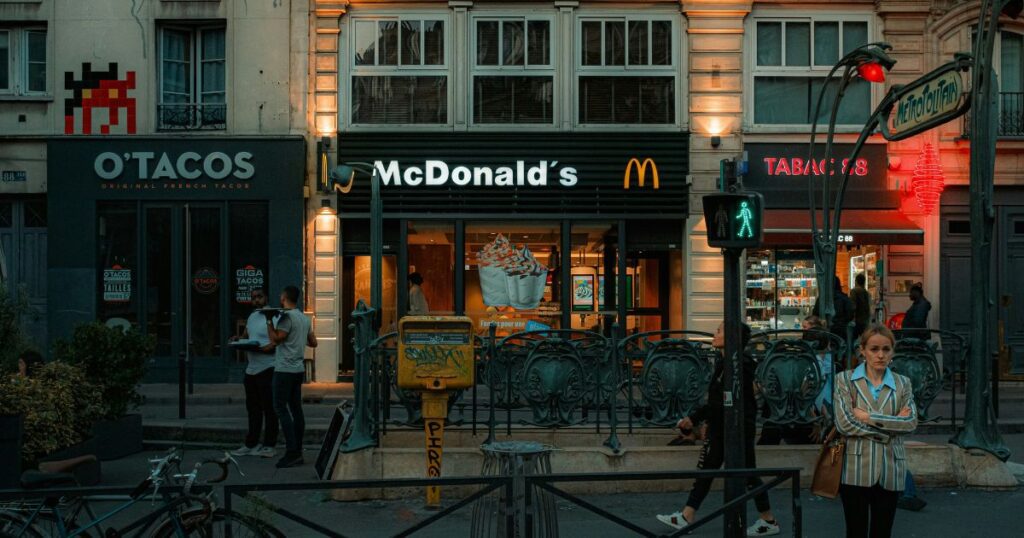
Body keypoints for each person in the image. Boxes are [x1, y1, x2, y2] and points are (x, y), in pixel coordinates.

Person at [656, 322, 781, 537]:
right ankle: (687, 515)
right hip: (724, 425)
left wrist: (695, 419)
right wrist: (696, 419)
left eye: (720, 330)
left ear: (731, 338)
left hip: (735, 427)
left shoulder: (738, 365)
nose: (715, 333)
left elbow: (726, 401)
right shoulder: (725, 363)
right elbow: (718, 400)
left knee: (747, 473)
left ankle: (768, 519)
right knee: (710, 469)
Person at [834, 323, 917, 538]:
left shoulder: (903, 383)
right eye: (874, 349)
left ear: (892, 351)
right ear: (862, 350)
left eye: (886, 349)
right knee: (855, 531)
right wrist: (889, 427)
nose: (880, 355)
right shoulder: (844, 380)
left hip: (891, 467)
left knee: (883, 532)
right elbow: (845, 424)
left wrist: (869, 417)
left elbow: (910, 423)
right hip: (855, 467)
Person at [265, 285, 317, 468]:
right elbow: (314, 342)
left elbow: (276, 339)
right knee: (296, 409)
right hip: (297, 369)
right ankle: (298, 450)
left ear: (284, 297)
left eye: (280, 294)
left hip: (284, 369)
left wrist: (269, 321)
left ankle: (292, 451)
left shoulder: (286, 318)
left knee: (280, 408)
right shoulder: (303, 318)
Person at [229, 288, 278, 458]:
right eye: (253, 298)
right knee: (252, 408)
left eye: (259, 297)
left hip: (268, 366)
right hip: (251, 369)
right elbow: (245, 335)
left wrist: (265, 349)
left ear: (266, 297)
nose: (256, 300)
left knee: (269, 408)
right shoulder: (251, 316)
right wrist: (237, 340)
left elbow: (277, 341)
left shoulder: (274, 316)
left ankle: (269, 445)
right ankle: (251, 443)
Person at [812, 276, 855, 341]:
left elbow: (815, 313)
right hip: (840, 331)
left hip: (823, 330)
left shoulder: (821, 298)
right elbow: (850, 314)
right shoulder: (844, 298)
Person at [849, 273, 871, 343]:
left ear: (856, 281)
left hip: (857, 320)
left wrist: (851, 318)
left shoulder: (854, 291)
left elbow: (853, 306)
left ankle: (854, 353)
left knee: (852, 340)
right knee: (864, 340)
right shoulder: (867, 293)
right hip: (865, 320)